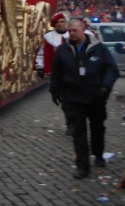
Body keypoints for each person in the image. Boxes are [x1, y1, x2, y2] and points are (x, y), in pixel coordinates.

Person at [50, 17, 119, 178]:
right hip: (73, 98)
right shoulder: (63, 50)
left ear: (83, 29)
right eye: (69, 31)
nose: (71, 33)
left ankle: (98, 154)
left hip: (96, 96)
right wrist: (55, 91)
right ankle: (82, 166)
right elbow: (57, 72)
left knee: (97, 128)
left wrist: (105, 87)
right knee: (79, 133)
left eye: (74, 30)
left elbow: (111, 69)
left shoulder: (99, 49)